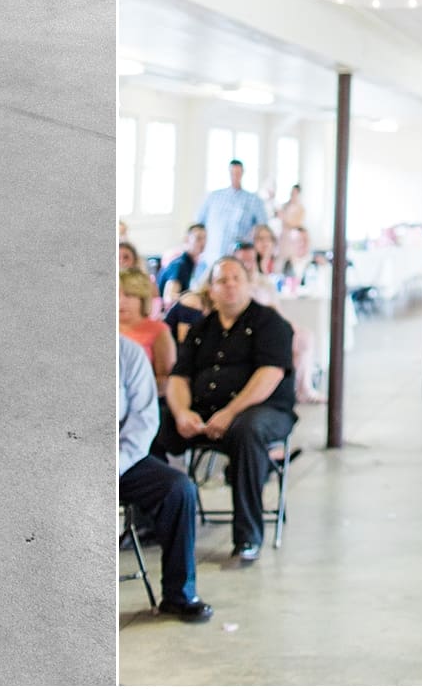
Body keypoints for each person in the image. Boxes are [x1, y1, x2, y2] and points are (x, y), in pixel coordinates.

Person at [150, 256, 295, 563]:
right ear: (211, 289)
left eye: (235, 279)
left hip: (261, 410)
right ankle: (150, 523)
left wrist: (230, 412)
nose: (229, 286)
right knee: (151, 422)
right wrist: (182, 412)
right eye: (221, 280)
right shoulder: (202, 328)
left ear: (248, 285)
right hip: (204, 411)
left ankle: (247, 536)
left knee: (248, 429)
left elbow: (270, 374)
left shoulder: (270, 323)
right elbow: (179, 376)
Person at [119, 336, 211, 622]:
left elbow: (144, 421)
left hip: (120, 458)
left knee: (177, 488)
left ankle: (179, 594)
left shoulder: (127, 353)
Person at [194, 159, 267, 270]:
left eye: (238, 173)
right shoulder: (214, 197)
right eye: (233, 173)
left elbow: (263, 228)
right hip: (213, 255)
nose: (235, 176)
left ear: (242, 173)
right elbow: (199, 223)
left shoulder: (253, 200)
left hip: (239, 257)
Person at [121, 269, 176, 394]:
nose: (120, 301)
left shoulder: (159, 330)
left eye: (128, 295)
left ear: (142, 298)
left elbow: (167, 379)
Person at [160, 224, 207, 302]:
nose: (203, 243)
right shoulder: (179, 265)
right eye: (198, 238)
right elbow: (169, 297)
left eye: (204, 238)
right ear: (186, 239)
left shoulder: (194, 265)